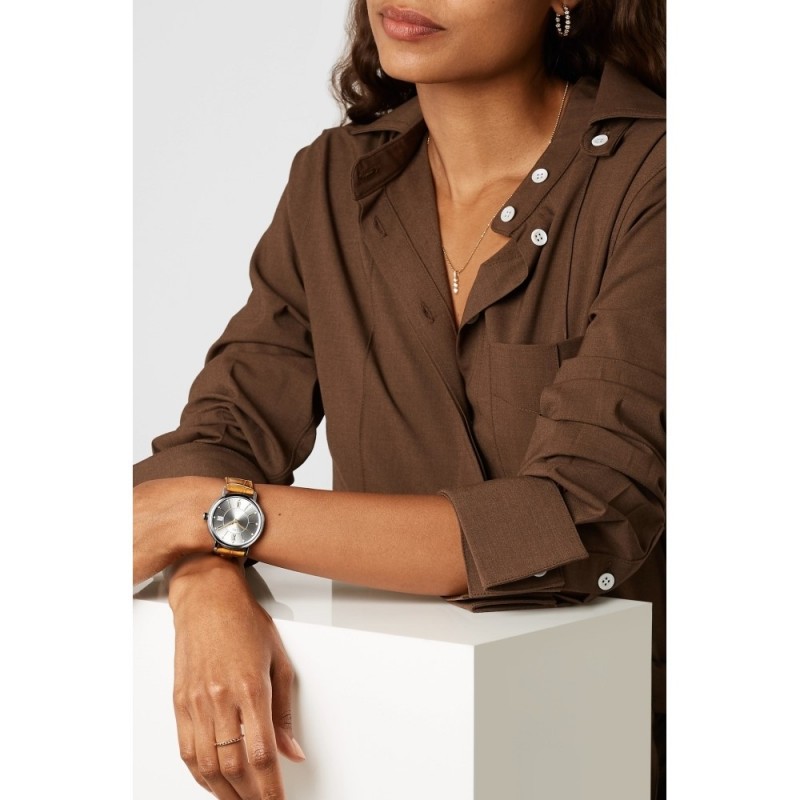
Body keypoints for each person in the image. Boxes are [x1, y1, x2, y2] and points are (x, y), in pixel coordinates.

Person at [133, 0, 666, 798]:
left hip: (610, 748)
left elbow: (576, 519)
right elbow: (218, 433)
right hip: (386, 737)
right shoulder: (330, 181)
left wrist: (208, 517)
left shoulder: (666, 179)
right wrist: (207, 582)